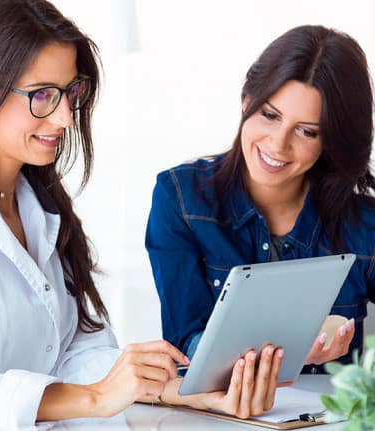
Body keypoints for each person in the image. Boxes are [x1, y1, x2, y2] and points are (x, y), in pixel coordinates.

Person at [0, 1, 285, 430]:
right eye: (41, 95)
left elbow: (73, 348)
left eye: (70, 93)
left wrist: (172, 388)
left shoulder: (40, 205)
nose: (64, 118)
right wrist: (95, 398)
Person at [146, 25, 374, 376]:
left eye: (306, 131)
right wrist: (283, 351)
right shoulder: (181, 200)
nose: (278, 145)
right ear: (246, 100)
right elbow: (183, 346)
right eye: (270, 115)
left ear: (331, 140)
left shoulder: (364, 226)